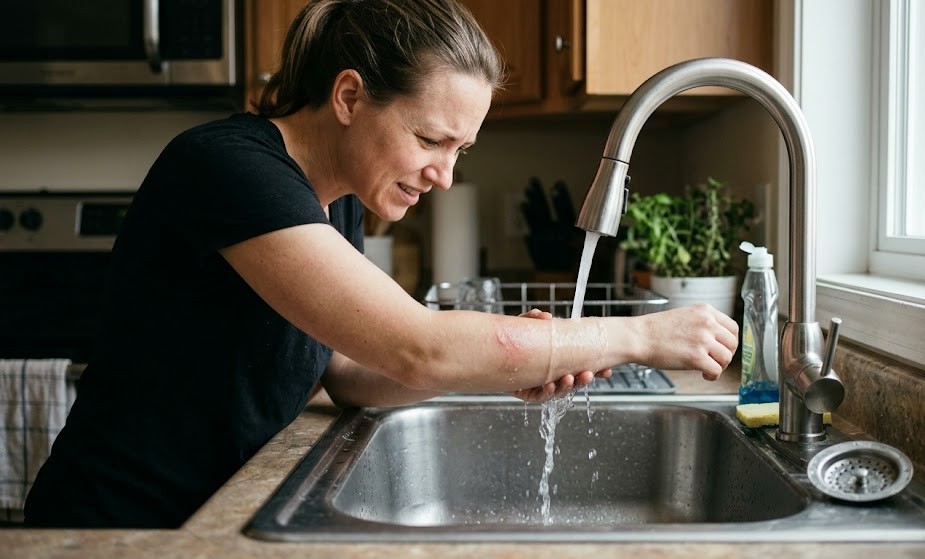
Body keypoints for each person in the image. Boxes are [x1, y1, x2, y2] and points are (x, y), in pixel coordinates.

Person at [24, 0, 738, 529]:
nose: (445, 175)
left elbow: (349, 373)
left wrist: (522, 353)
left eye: (461, 149)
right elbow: (416, 346)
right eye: (431, 138)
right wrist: (639, 335)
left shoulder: (330, 199)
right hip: (118, 528)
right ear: (347, 97)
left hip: (205, 514)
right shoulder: (228, 169)